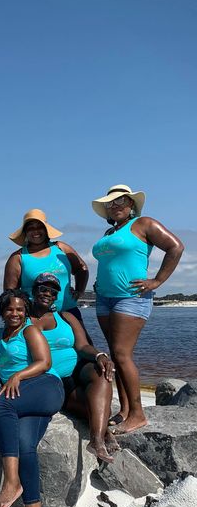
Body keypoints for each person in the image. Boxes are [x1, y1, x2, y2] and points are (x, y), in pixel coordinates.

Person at [92, 184, 184, 434]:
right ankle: (124, 410)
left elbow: (176, 247)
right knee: (116, 354)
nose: (115, 206)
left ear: (131, 204)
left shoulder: (143, 224)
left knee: (122, 354)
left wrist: (157, 281)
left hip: (131, 297)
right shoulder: (110, 232)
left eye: (120, 201)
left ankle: (138, 414)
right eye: (110, 203)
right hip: (104, 298)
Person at [0, 289, 64, 507]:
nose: (15, 313)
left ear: (26, 312)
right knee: (24, 444)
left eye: (20, 309)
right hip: (23, 396)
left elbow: (44, 362)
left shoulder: (29, 331)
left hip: (45, 386)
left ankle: (11, 482)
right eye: (10, 309)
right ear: (2, 311)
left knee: (1, 405)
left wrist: (17, 375)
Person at [28, 273, 118, 463]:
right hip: (52, 380)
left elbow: (82, 345)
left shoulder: (66, 316)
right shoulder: (22, 319)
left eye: (53, 292)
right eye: (43, 289)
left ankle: (96, 441)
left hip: (77, 369)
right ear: (34, 291)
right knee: (100, 411)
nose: (48, 294)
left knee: (102, 372)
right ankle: (104, 431)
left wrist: (100, 355)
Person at [3, 209, 89, 323]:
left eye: (40, 227)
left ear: (46, 229)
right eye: (31, 228)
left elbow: (81, 269)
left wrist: (79, 290)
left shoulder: (61, 248)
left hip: (69, 312)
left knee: (82, 336)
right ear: (25, 232)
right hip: (35, 317)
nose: (36, 231)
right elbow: (10, 294)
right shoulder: (18, 257)